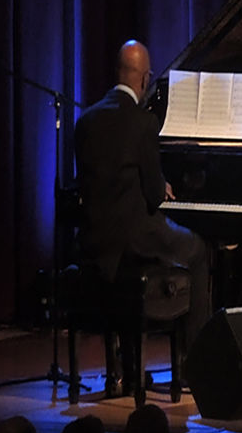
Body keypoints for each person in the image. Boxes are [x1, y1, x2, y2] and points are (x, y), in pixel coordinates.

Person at [74, 40, 211, 345]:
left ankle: (122, 365)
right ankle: (196, 357)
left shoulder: (86, 121)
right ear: (145, 78)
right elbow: (153, 196)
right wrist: (160, 182)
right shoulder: (143, 122)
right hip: (134, 240)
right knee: (199, 251)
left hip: (94, 241)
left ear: (118, 73)